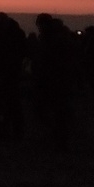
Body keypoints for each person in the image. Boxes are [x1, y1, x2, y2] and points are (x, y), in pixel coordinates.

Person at [32, 15, 77, 149]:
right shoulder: (55, 37)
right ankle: (58, 138)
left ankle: (59, 139)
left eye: (39, 24)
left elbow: (52, 59)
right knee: (54, 111)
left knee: (54, 111)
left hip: (55, 79)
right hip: (54, 79)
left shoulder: (55, 39)